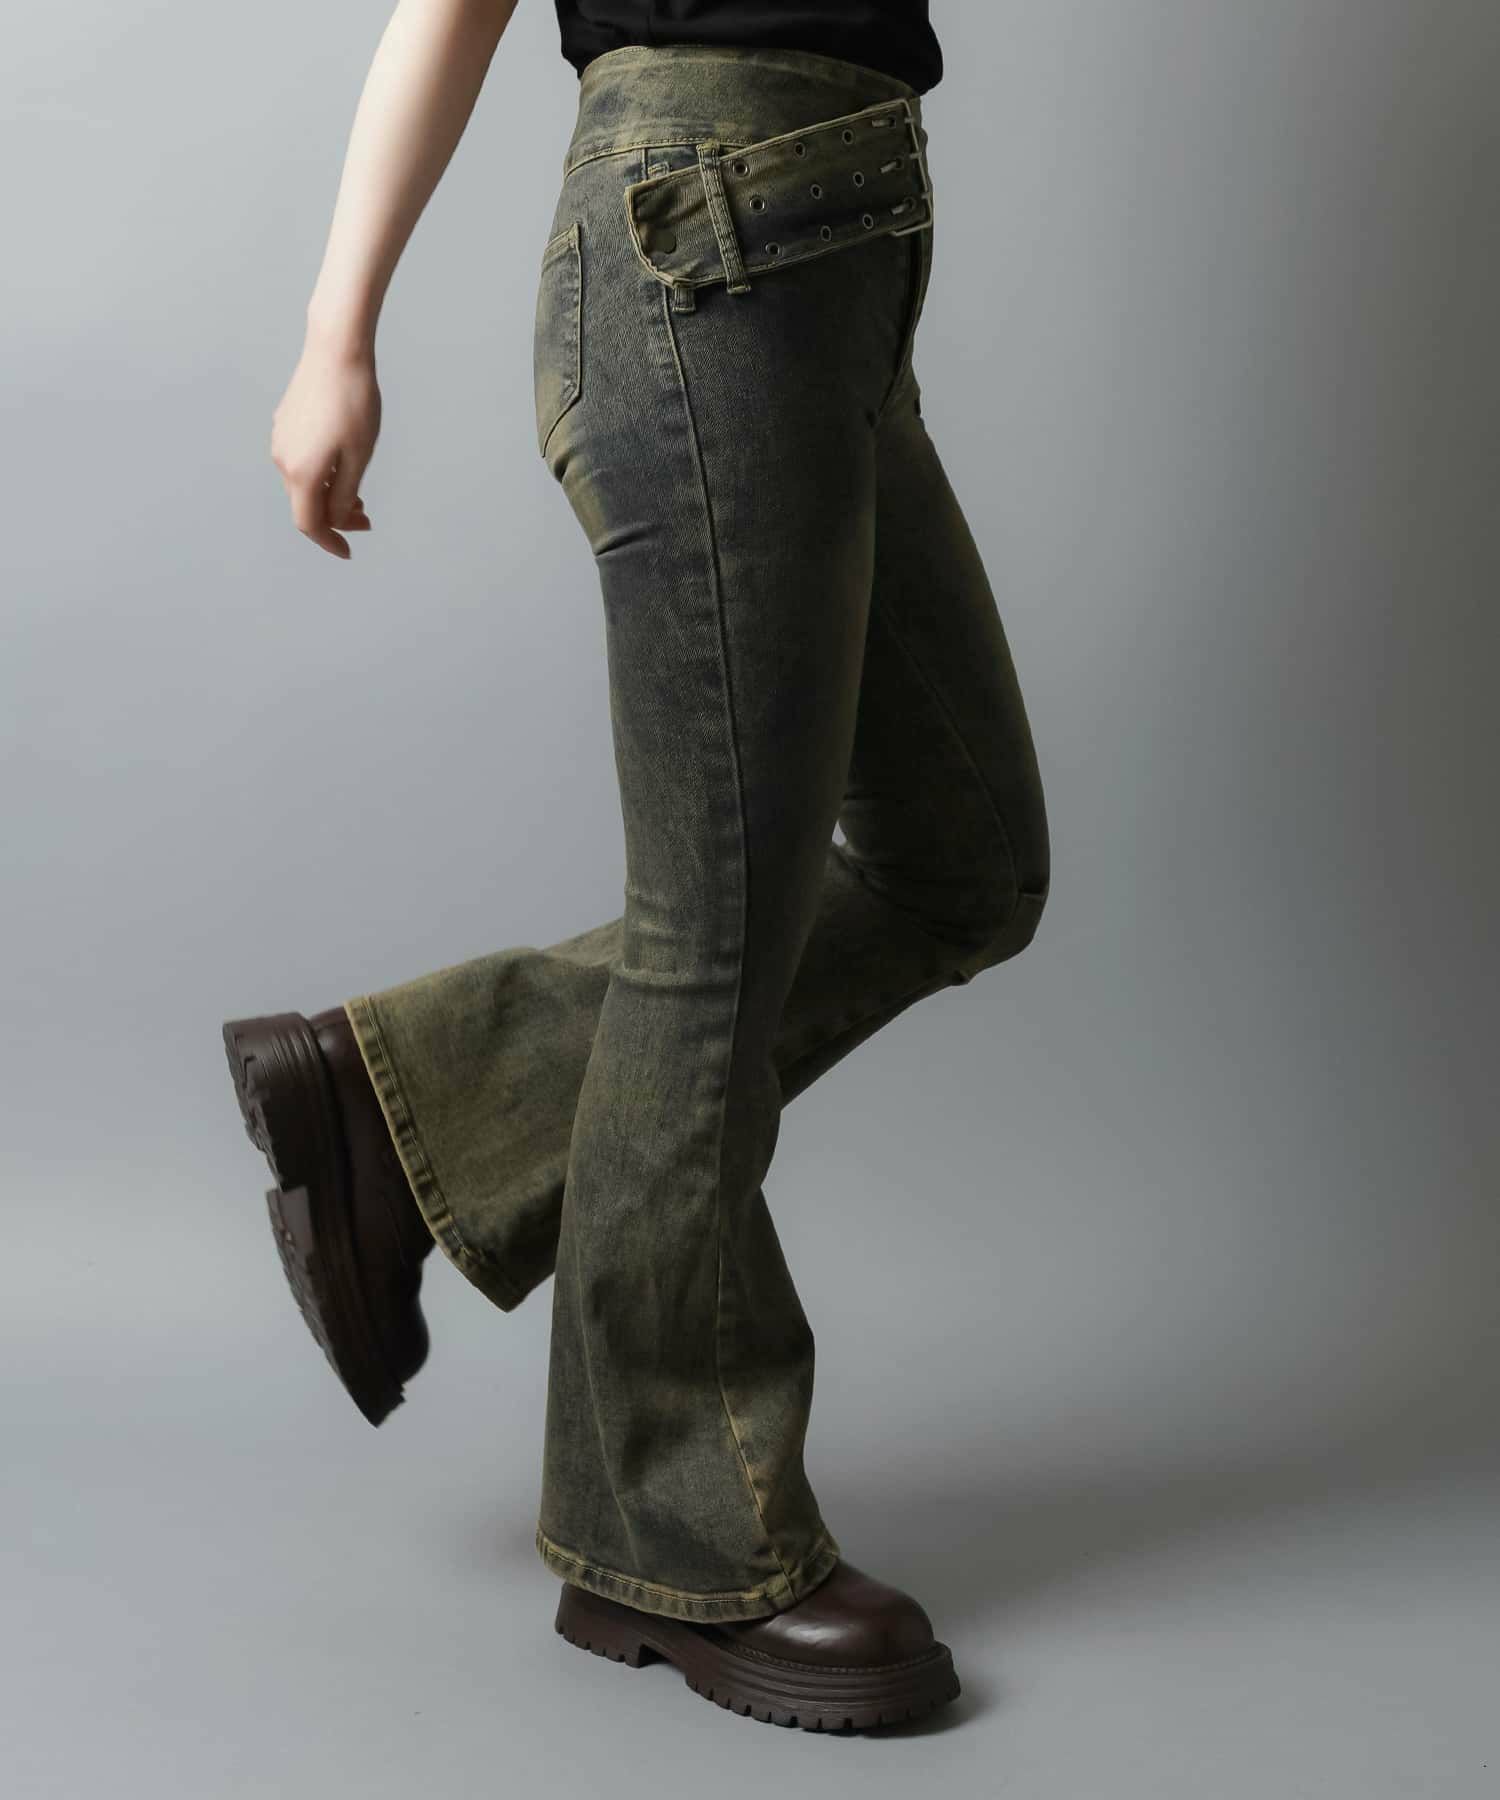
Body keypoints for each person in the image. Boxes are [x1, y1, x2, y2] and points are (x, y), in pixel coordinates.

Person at [224, 0, 1050, 1734]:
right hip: (711, 236)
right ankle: (665, 1534)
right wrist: (334, 334)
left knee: (965, 861)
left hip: (836, 241)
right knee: (713, 927)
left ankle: (400, 1102)